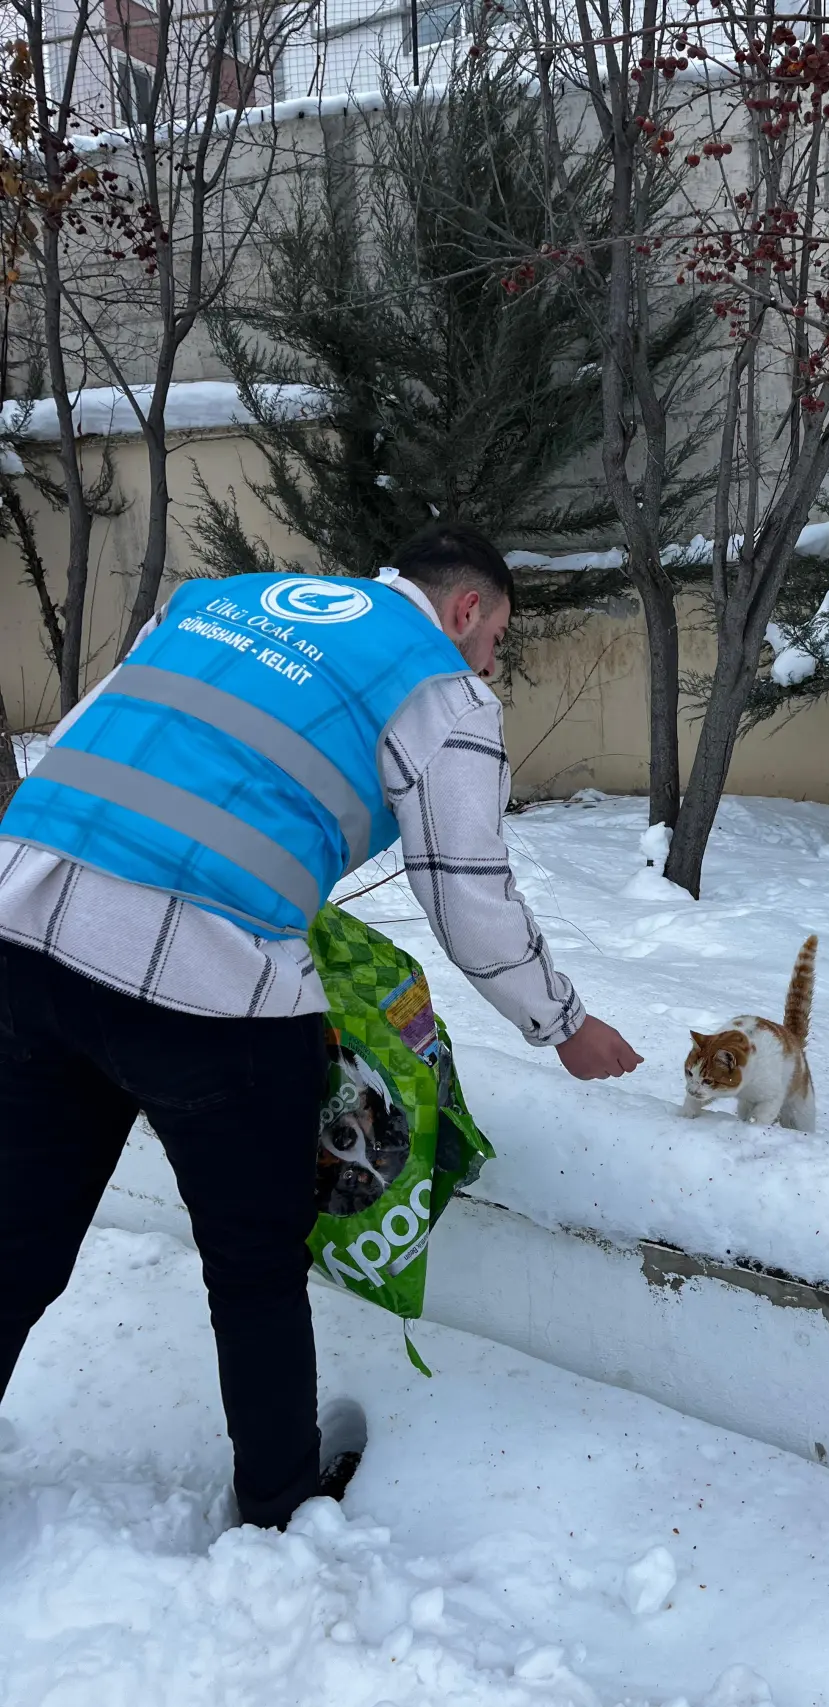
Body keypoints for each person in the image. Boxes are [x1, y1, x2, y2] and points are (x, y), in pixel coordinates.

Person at [0, 523, 642, 1530]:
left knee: (14, 1232)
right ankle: (279, 1505)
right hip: (205, 990)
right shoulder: (442, 687)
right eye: (498, 636)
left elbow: (87, 741)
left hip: (23, 931)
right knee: (255, 1263)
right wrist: (561, 1023)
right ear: (465, 610)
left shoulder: (217, 600)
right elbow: (466, 894)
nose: (492, 660)